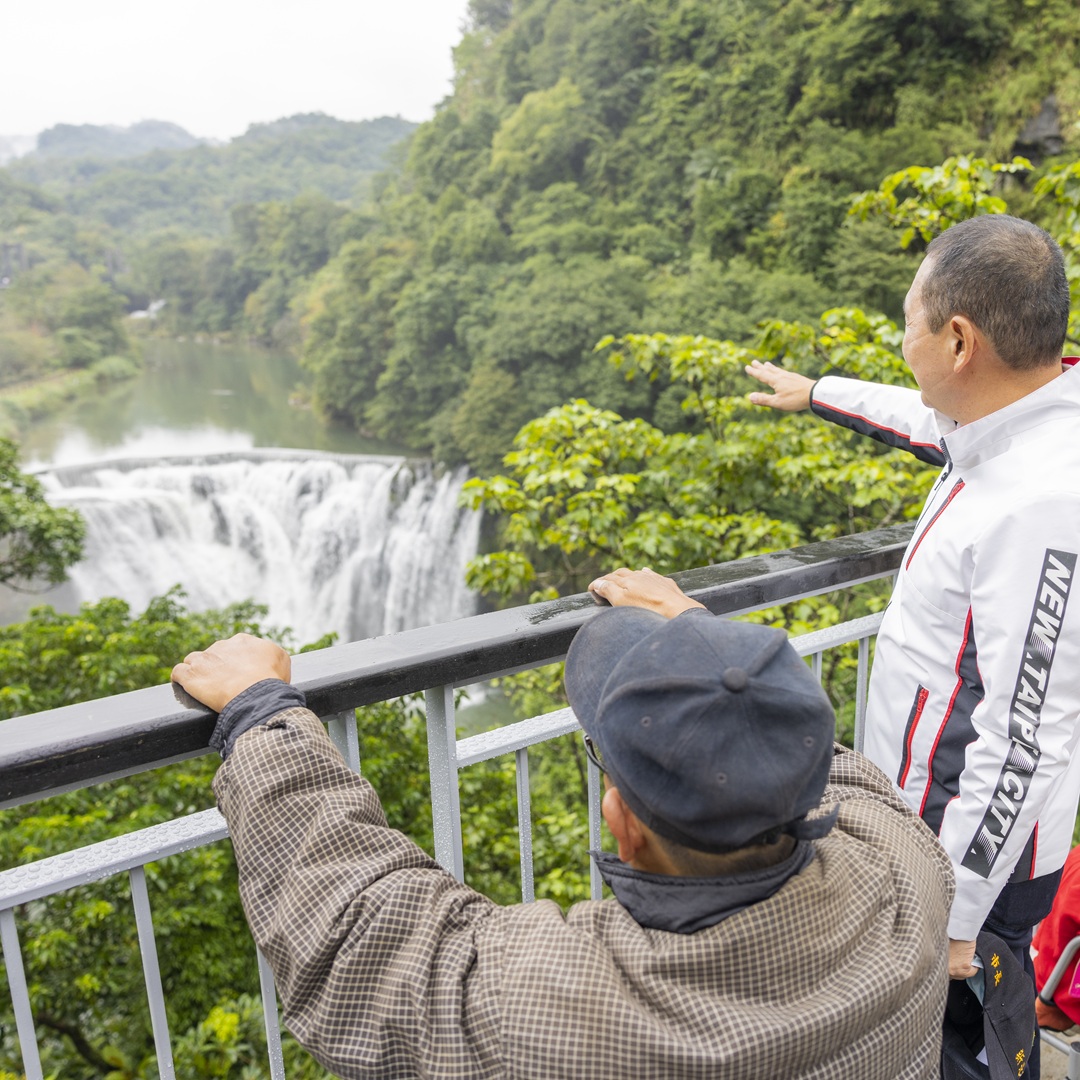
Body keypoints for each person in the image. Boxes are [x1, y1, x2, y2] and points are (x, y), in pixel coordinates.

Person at [592, 214, 1080, 1077]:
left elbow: (1029, 737)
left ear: (959, 341)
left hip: (959, 853)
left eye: (908, 323)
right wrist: (818, 391)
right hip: (931, 827)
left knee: (958, 1048)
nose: (903, 344)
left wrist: (954, 918)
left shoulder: (1038, 504)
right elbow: (934, 422)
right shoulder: (1024, 423)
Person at [172, 609, 953, 1079]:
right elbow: (840, 779)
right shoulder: (907, 867)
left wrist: (261, 714)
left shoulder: (552, 1009)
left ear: (623, 822)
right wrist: (718, 660)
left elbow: (361, 939)